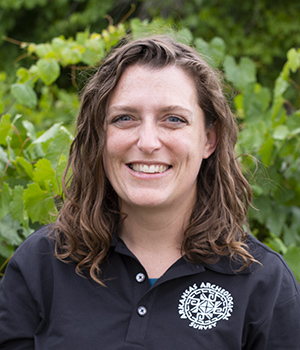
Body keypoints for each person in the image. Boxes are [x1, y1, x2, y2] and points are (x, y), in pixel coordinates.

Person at [0, 35, 299, 350]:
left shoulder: (263, 284)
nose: (147, 142)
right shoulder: (41, 264)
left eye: (173, 120)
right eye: (124, 118)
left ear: (209, 140)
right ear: (100, 136)